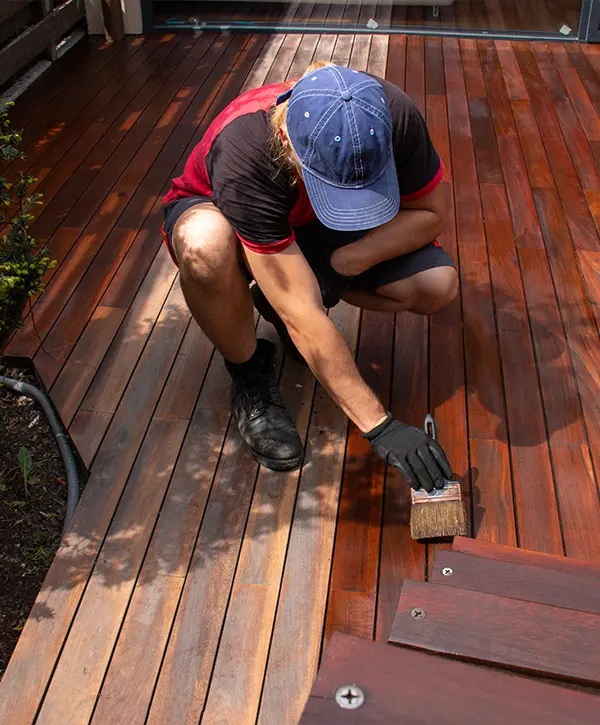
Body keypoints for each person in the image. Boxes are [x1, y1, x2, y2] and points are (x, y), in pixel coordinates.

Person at [162, 62, 456, 492]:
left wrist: (341, 264)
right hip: (227, 213)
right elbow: (303, 313)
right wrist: (381, 426)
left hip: (317, 225)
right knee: (205, 246)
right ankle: (249, 375)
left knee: (436, 286)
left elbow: (430, 215)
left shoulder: (390, 113)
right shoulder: (247, 151)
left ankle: (287, 289)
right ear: (287, 141)